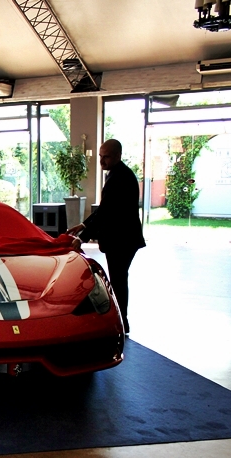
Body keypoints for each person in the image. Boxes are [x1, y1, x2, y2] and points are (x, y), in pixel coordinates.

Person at [68, 139, 145, 335]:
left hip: (121, 240)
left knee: (118, 281)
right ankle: (122, 322)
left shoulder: (119, 178)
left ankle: (121, 323)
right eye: (101, 156)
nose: (101, 160)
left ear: (118, 155)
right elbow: (104, 209)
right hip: (124, 239)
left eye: (106, 156)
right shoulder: (119, 174)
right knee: (119, 280)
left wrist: (82, 238)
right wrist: (84, 224)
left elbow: (107, 212)